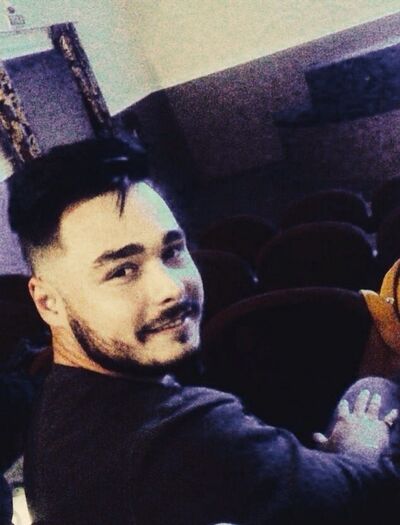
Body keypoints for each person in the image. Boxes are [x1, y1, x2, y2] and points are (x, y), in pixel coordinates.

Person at [7, 138, 400, 525]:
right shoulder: (186, 434)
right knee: (376, 393)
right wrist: (356, 446)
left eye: (172, 251)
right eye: (122, 270)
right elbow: (375, 493)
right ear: (48, 302)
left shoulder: (54, 403)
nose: (171, 288)